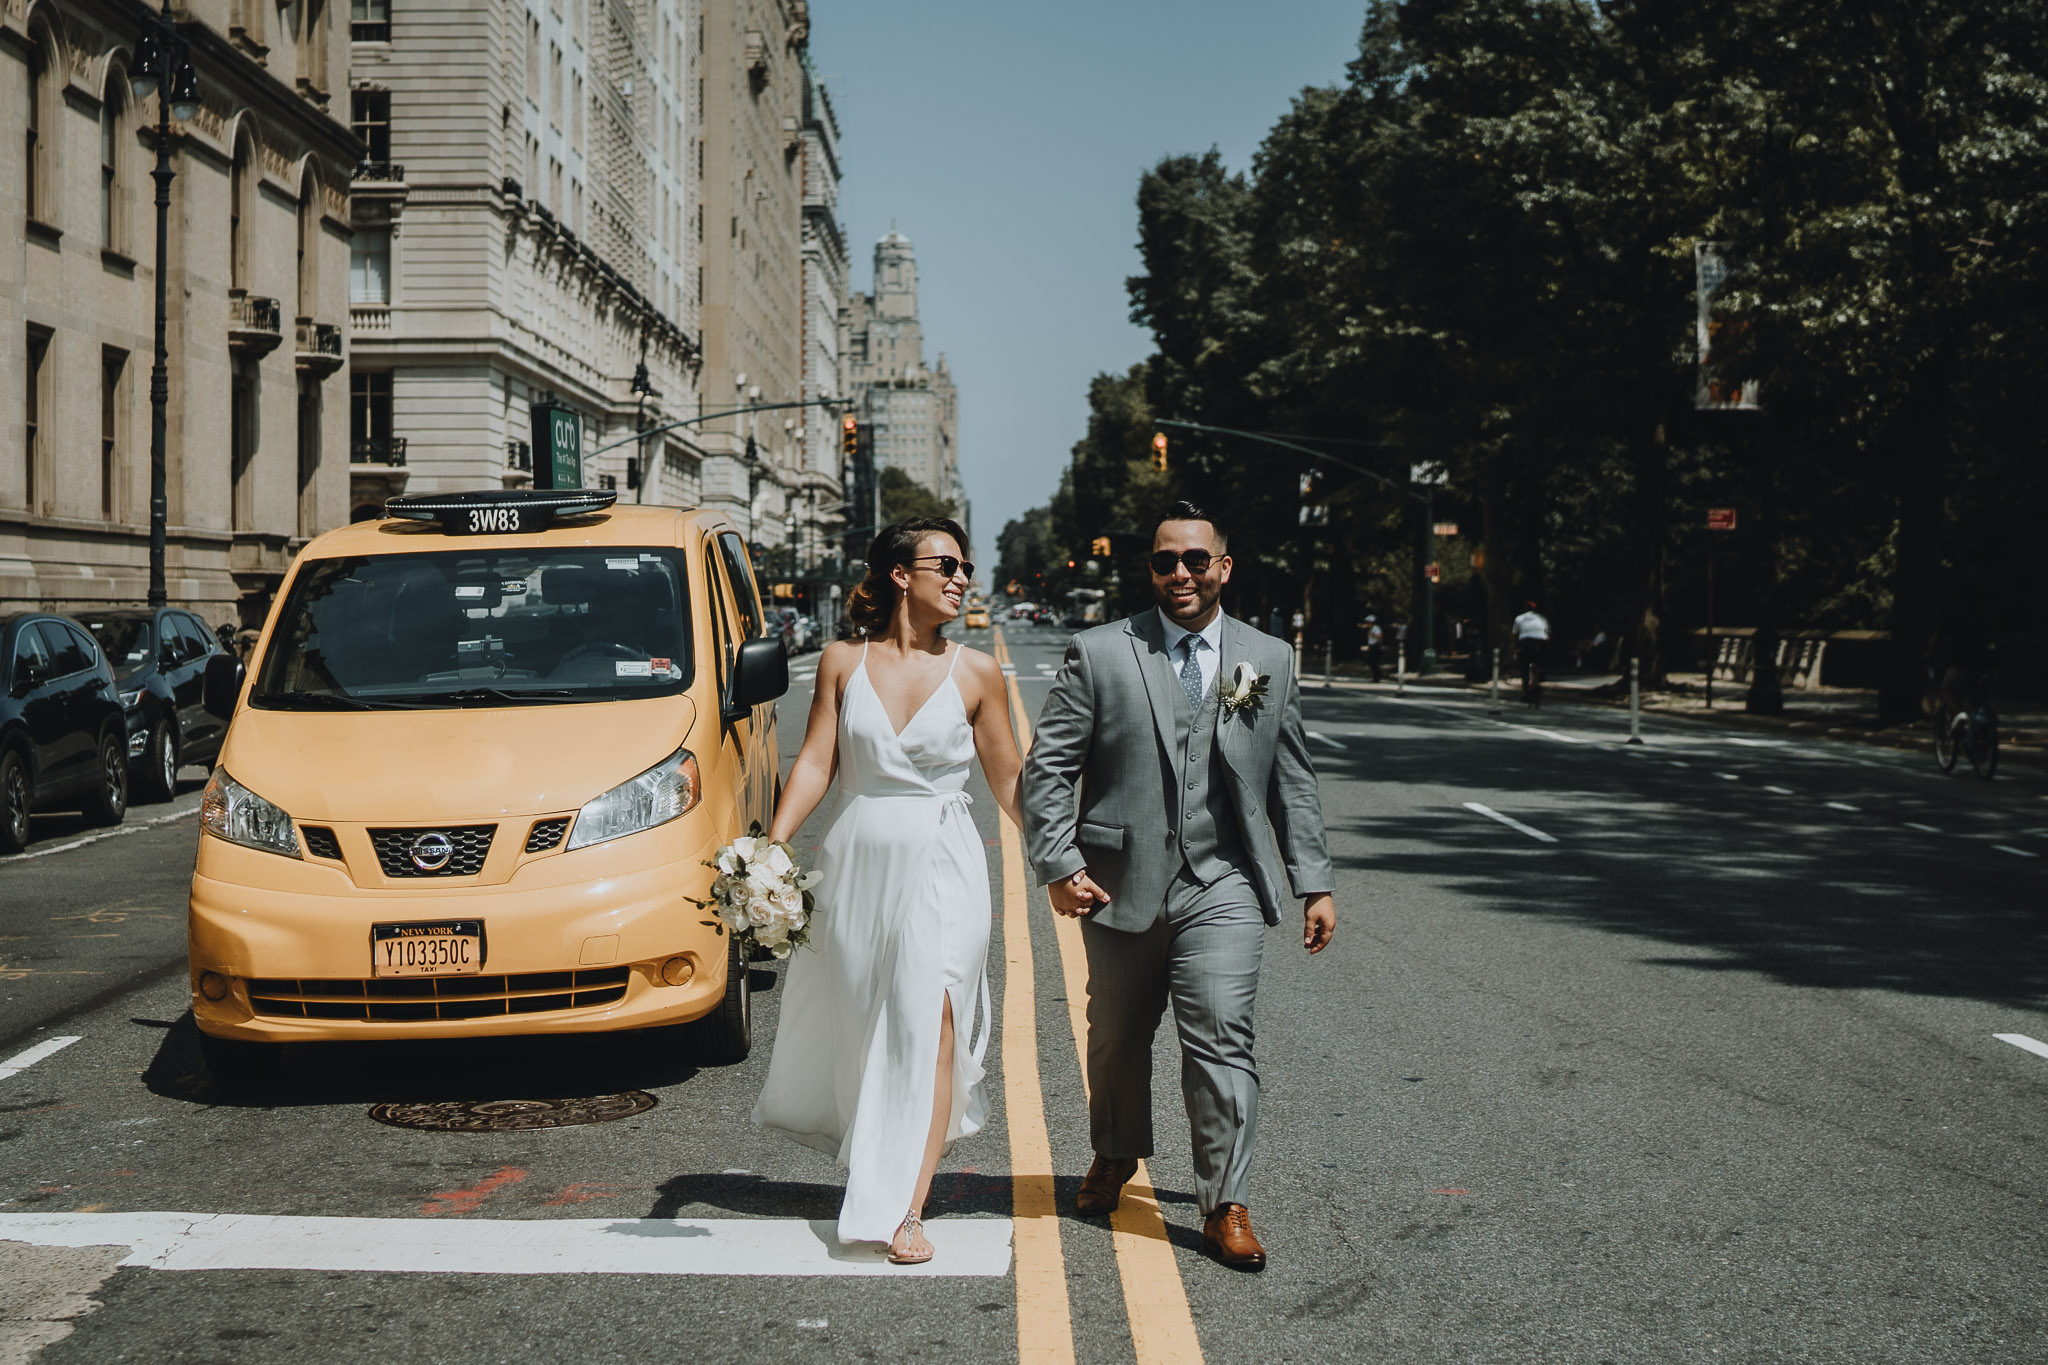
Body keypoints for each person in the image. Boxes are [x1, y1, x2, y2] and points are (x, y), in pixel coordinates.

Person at [1022, 500, 1336, 1271]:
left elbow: (1291, 777)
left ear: (1224, 566)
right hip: (1117, 881)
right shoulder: (1101, 651)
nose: (1181, 573)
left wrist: (1314, 881)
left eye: (1197, 559)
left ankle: (1226, 1200)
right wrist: (1060, 863)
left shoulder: (1264, 657)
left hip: (1223, 881)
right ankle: (1115, 1149)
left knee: (1223, 1033)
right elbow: (1048, 768)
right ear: (1151, 569)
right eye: (1166, 561)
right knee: (1116, 1037)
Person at [754, 517, 1025, 1265]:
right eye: (948, 565)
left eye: (966, 566)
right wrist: (770, 849)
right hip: (857, 863)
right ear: (902, 575)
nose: (962, 578)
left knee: (929, 1021)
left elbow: (1010, 781)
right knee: (865, 1024)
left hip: (945, 863)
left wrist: (1066, 861)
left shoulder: (978, 672)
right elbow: (817, 761)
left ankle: (904, 1207)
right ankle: (874, 1155)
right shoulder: (843, 661)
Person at [1512, 600, 1550, 704]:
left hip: (1526, 643)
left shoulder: (1519, 618)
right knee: (1540, 661)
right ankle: (1541, 674)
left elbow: (1515, 635)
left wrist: (1515, 648)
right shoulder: (1542, 618)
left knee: (1524, 667)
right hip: (1540, 643)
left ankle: (1526, 692)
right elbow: (1547, 634)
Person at [1363, 615, 1384, 684]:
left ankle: (1377, 677)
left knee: (1374, 662)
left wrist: (1372, 634)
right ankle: (1375, 676)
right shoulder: (1371, 628)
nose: (1367, 623)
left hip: (1376, 646)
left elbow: (1379, 636)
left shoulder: (1376, 628)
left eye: (1368, 622)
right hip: (1372, 646)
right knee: (1371, 661)